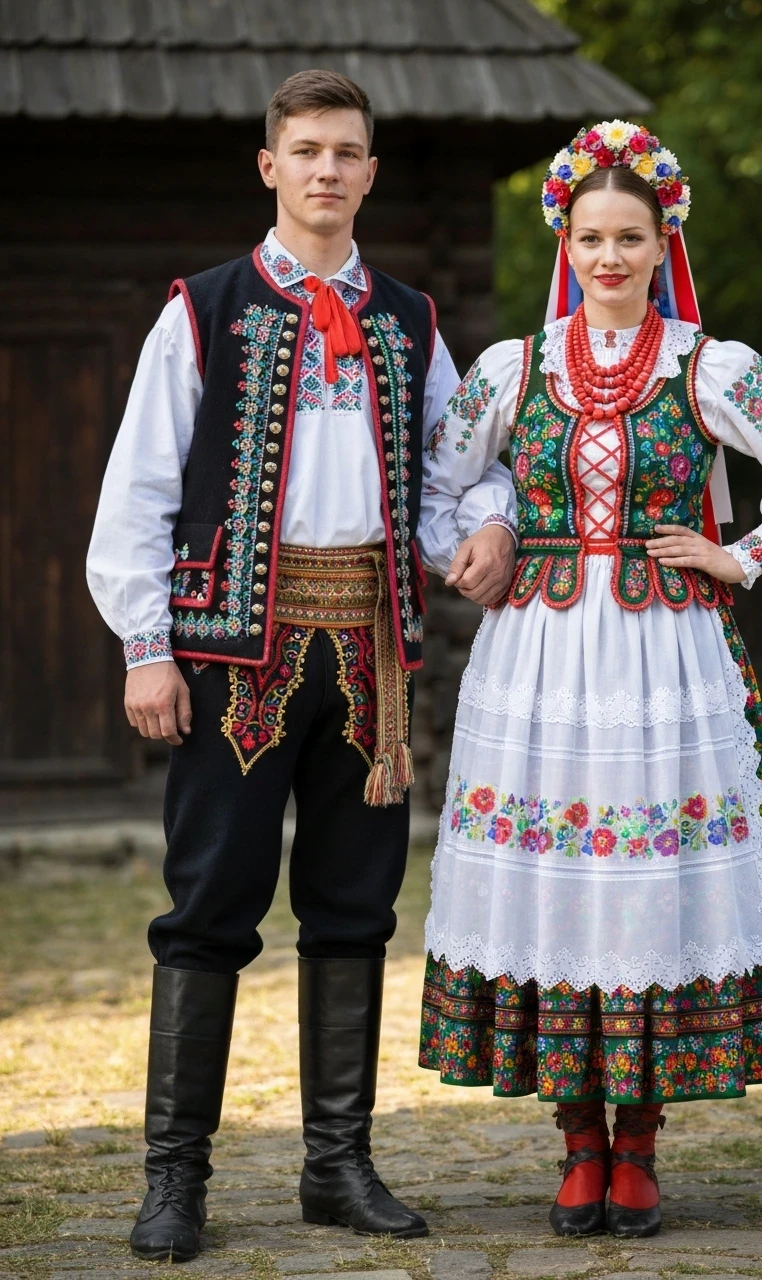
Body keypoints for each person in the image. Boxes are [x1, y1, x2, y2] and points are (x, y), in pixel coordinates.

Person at [86, 69, 516, 1263]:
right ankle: (175, 1179)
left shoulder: (409, 320)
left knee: (352, 910)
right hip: (232, 648)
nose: (328, 169)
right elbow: (139, 490)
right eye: (307, 150)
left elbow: (452, 468)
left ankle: (337, 1166)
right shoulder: (206, 310)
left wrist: (483, 522)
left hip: (371, 650)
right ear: (269, 167)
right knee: (208, 907)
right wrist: (145, 647)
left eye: (348, 152)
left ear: (370, 173)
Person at [416, 119, 762, 1240]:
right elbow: (438, 485)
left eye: (629, 237)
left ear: (661, 237)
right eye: (588, 239)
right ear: (561, 244)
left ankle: (641, 1143)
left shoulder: (708, 366)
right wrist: (483, 530)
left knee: (650, 890)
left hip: (666, 663)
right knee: (559, 889)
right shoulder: (508, 369)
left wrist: (743, 552)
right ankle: (577, 1139)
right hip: (539, 662)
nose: (608, 258)